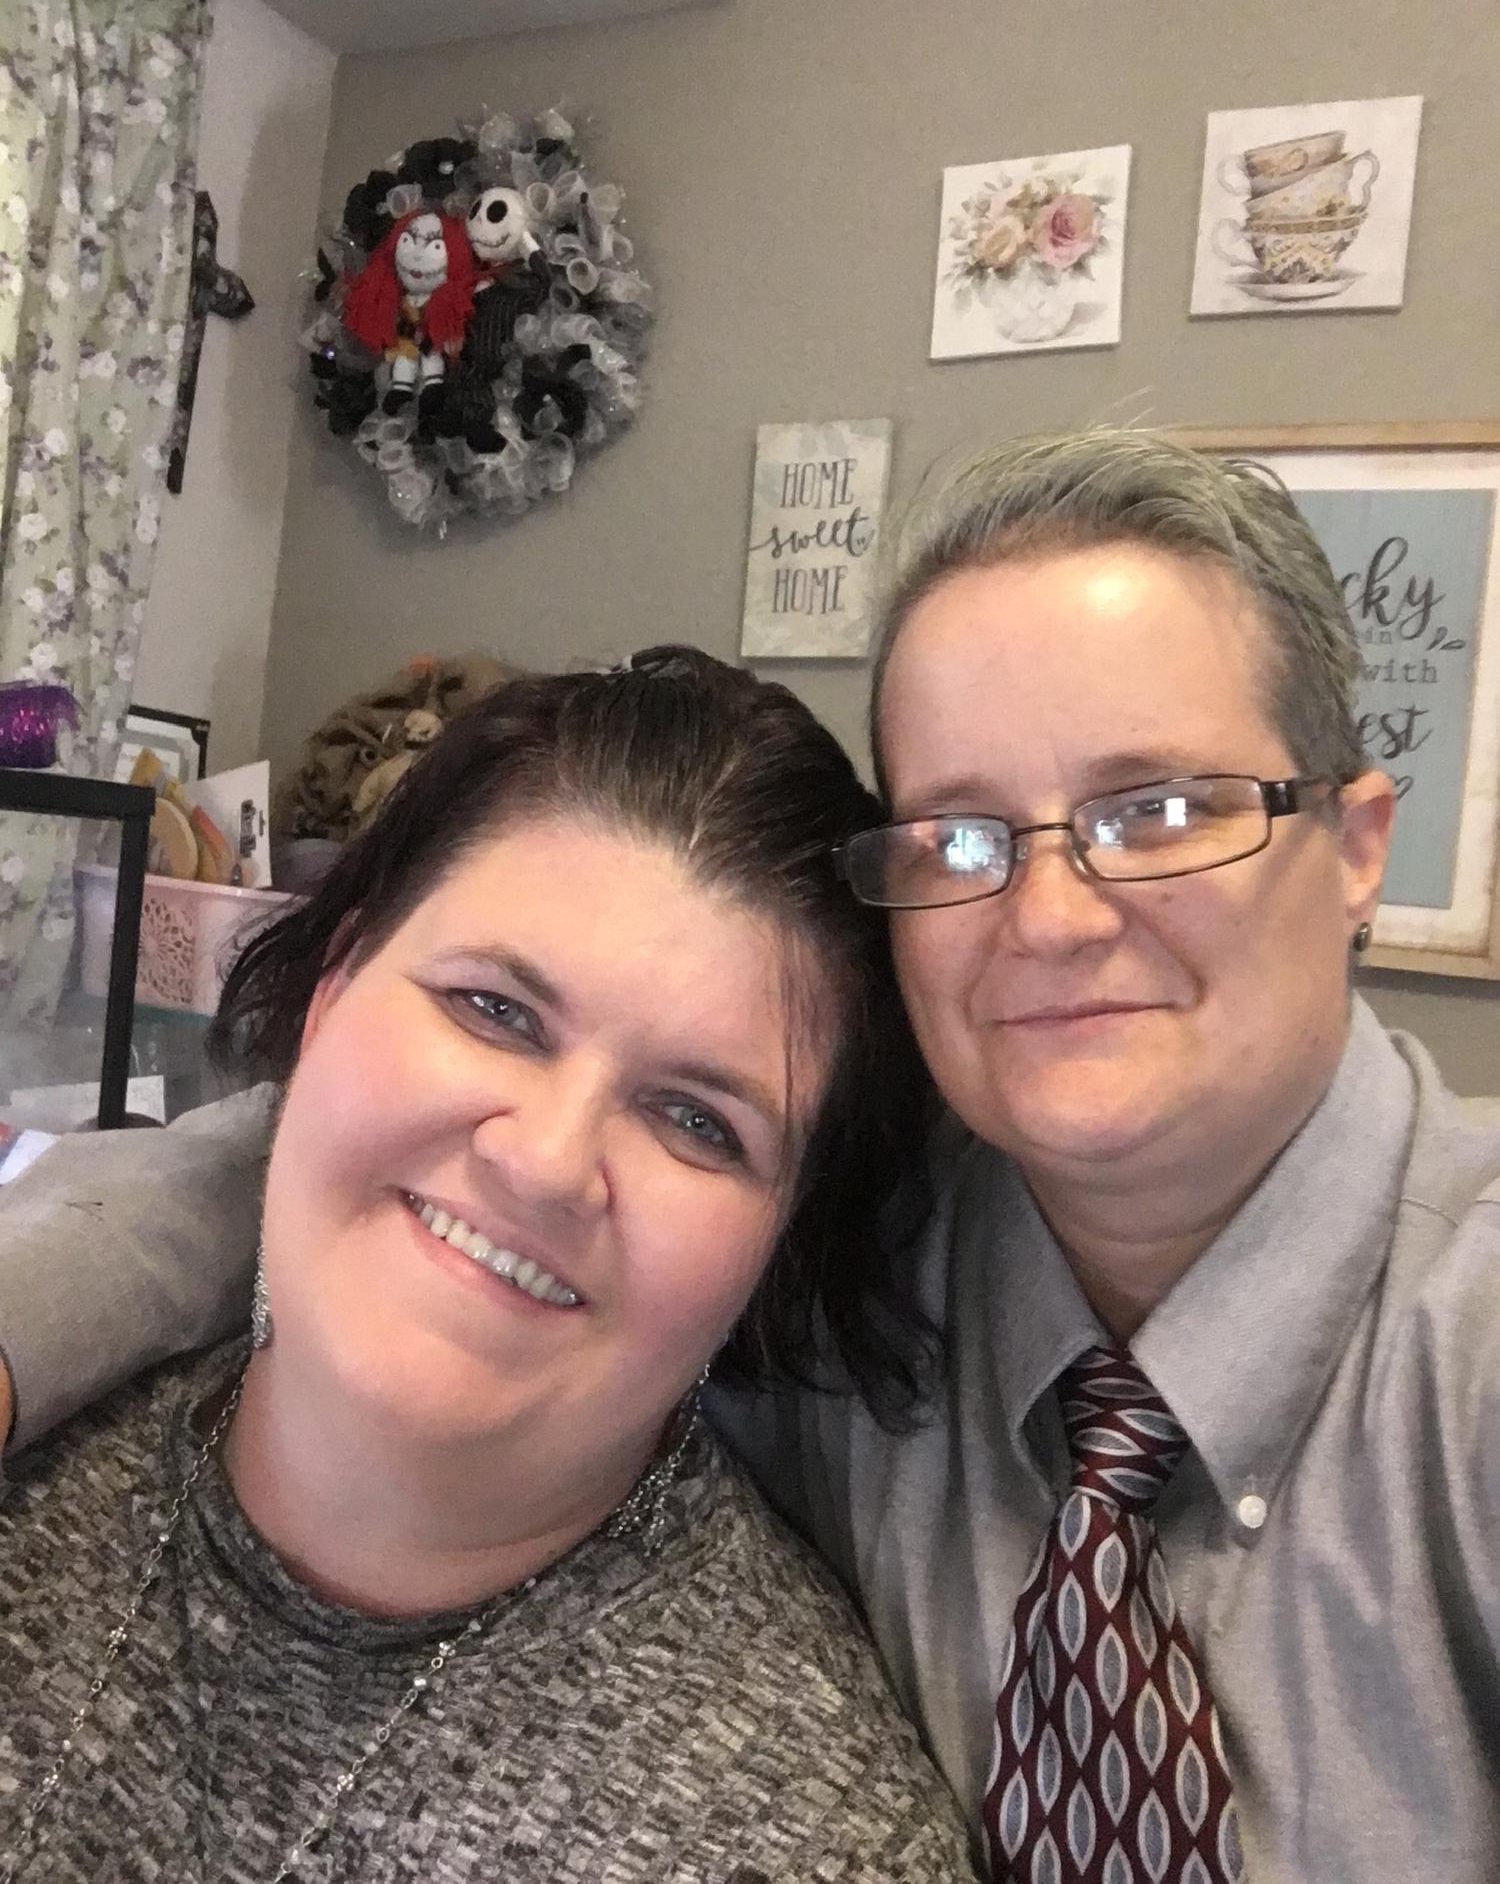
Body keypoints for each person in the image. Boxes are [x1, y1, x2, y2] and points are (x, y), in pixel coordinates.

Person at [5, 429, 1500, 1880]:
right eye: (962, 838)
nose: (1051, 918)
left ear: (1359, 843)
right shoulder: (868, 1260)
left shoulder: (1459, 1362)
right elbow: (381, 1172)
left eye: (1160, 811)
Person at [0, 648, 978, 1883]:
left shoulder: (810, 1840)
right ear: (333, 987)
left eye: (697, 1120)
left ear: (781, 1243)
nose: (547, 1161)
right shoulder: (42, 1432)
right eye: (495, 1010)